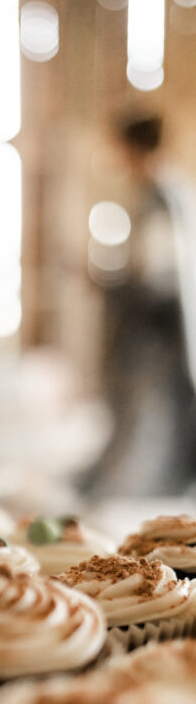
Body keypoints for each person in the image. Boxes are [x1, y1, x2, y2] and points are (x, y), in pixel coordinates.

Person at [82, 113, 196, 498]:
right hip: (163, 329)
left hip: (155, 333)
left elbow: (155, 279)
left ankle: (123, 503)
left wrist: (107, 281)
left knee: (144, 421)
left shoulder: (160, 196)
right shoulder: (172, 191)